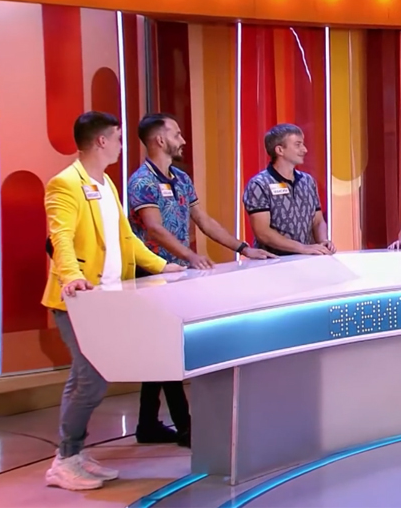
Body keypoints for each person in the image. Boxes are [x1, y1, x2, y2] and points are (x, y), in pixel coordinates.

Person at [41, 111, 185, 491]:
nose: (123, 146)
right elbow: (60, 237)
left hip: (107, 299)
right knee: (91, 377)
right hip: (77, 299)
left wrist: (161, 265)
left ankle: (72, 453)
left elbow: (127, 239)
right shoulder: (65, 184)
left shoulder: (106, 183)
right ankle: (64, 459)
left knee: (88, 376)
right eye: (118, 139)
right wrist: (71, 275)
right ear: (101, 141)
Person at [127, 113, 275, 448]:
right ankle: (186, 426)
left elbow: (203, 220)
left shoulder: (180, 178)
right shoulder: (142, 182)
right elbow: (154, 229)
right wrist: (191, 256)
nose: (183, 140)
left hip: (179, 275)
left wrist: (242, 248)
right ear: (160, 140)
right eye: (177, 134)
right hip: (152, 274)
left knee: (161, 349)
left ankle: (147, 424)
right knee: (165, 349)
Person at [242, 123, 336, 255]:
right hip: (274, 262)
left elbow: (318, 221)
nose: (305, 150)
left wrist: (323, 241)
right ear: (280, 150)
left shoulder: (308, 181)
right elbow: (263, 233)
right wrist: (302, 248)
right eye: (298, 145)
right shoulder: (259, 184)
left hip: (307, 259)